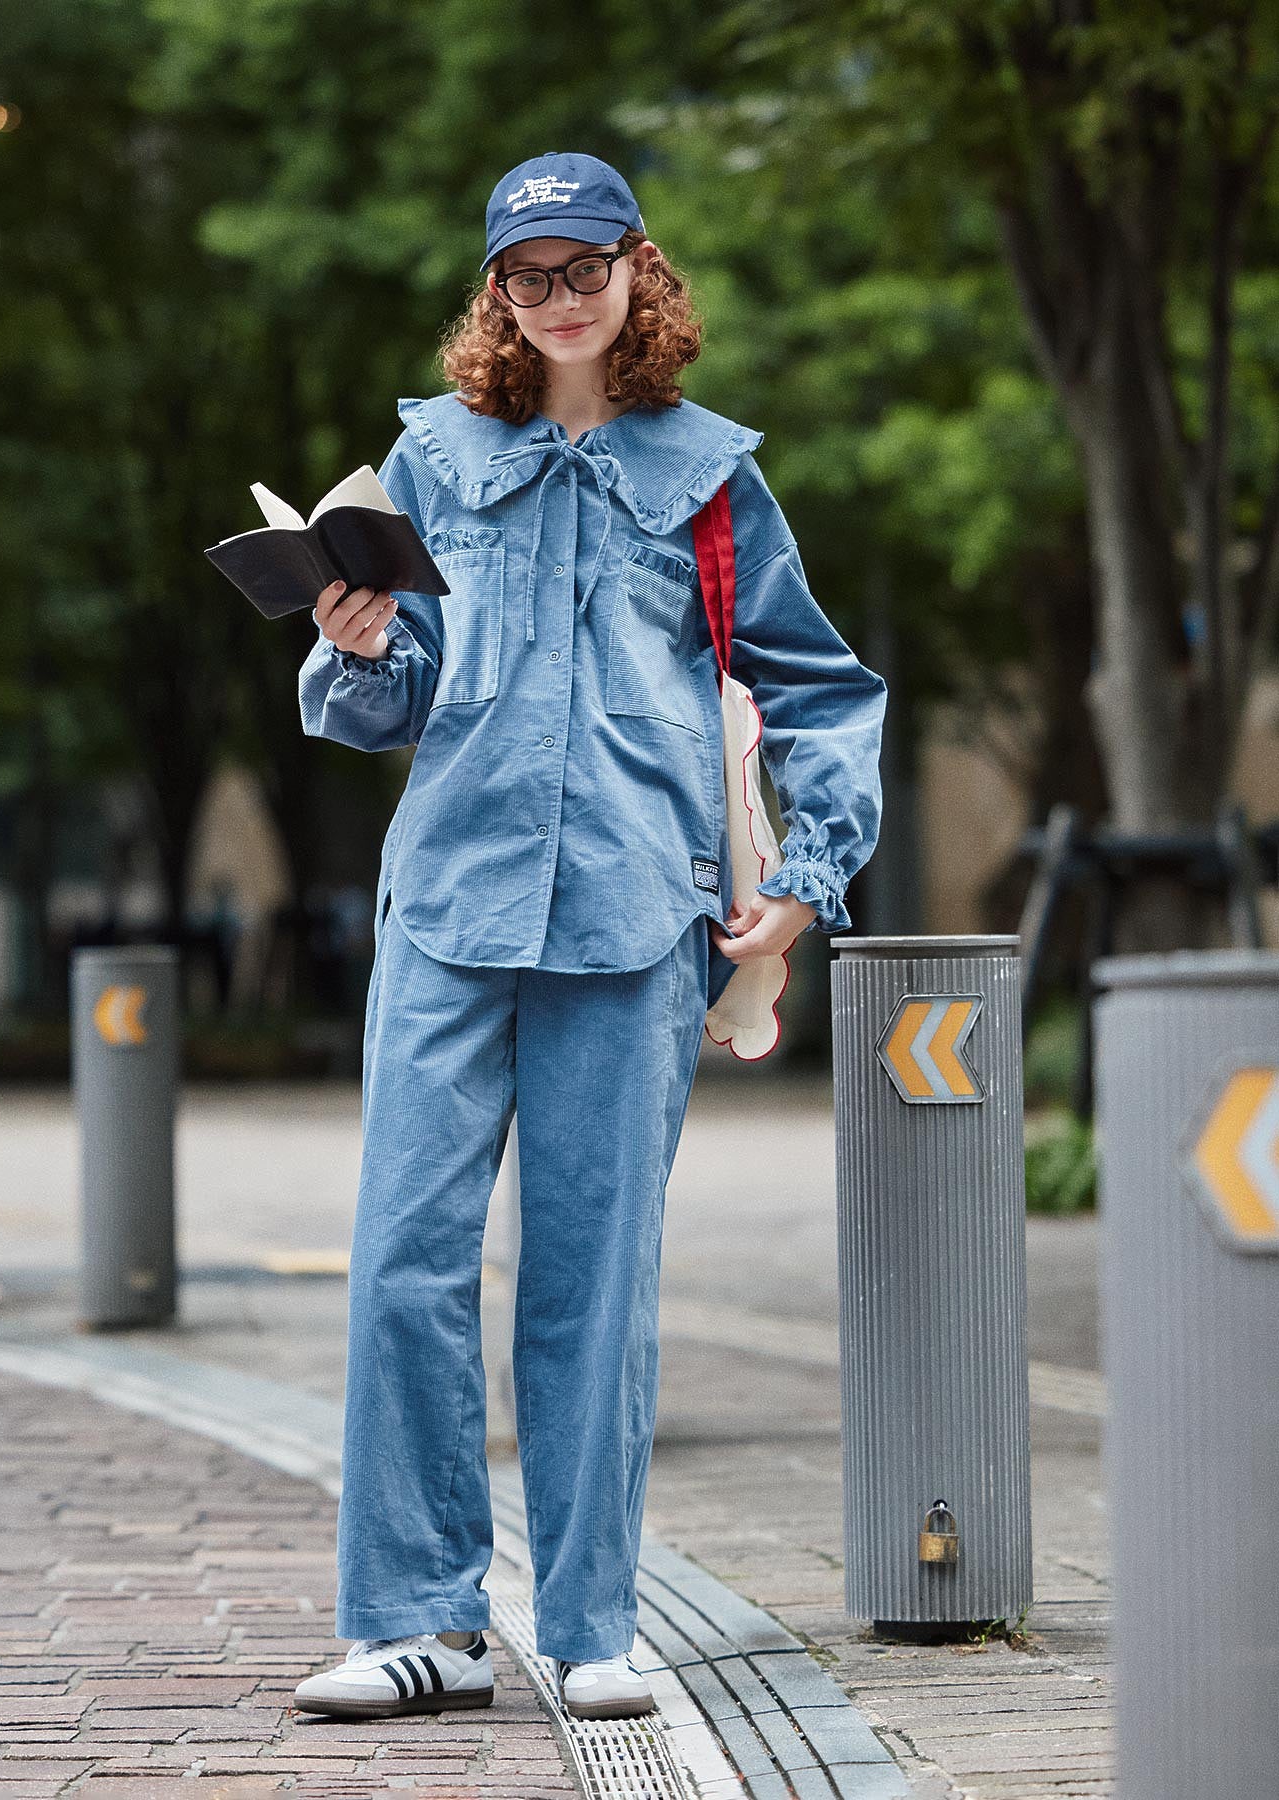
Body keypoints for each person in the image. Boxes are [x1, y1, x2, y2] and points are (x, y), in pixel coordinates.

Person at [291, 151, 887, 1724]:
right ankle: (417, 1625)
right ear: (498, 291)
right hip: (448, 910)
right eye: (527, 276)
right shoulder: (430, 458)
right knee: (403, 1263)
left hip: (635, 917)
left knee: (595, 1282)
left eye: (584, 267)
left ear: (639, 269)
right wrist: (355, 644)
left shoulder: (713, 478)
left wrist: (811, 873)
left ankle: (591, 1624)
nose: (558, 298)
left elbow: (819, 688)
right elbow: (387, 699)